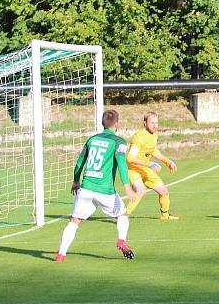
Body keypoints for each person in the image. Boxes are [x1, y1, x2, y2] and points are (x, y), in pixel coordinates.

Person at [55, 109, 137, 262]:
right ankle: (121, 240)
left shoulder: (91, 140)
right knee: (122, 215)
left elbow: (80, 162)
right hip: (105, 191)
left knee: (75, 220)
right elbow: (121, 163)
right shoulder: (118, 142)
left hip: (86, 188)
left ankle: (61, 254)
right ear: (117, 125)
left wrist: (75, 180)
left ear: (102, 123)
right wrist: (127, 187)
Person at [124, 111, 178, 220]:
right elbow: (130, 158)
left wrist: (167, 162)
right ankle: (124, 215)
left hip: (145, 169)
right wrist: (148, 164)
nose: (155, 125)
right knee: (141, 190)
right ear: (145, 123)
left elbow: (153, 150)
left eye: (156, 123)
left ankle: (165, 215)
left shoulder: (154, 135)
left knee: (164, 192)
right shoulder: (139, 137)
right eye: (152, 123)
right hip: (133, 169)